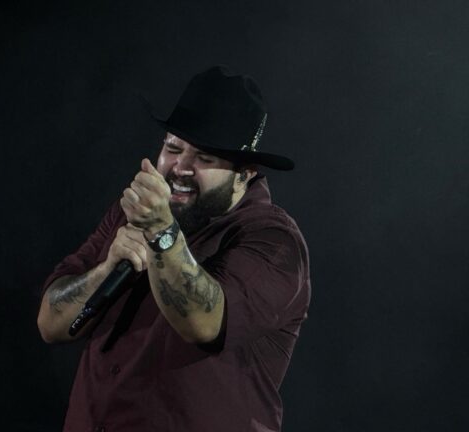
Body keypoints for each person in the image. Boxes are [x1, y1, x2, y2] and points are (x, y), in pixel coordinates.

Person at [37, 66, 310, 432]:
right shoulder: (129, 213)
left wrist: (161, 232)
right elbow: (50, 325)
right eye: (173, 148)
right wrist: (105, 269)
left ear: (244, 173)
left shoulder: (273, 239)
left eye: (205, 158)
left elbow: (204, 323)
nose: (180, 167)